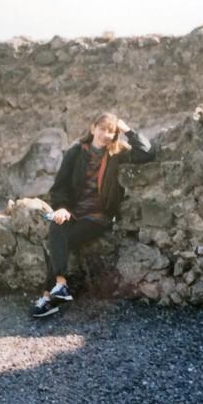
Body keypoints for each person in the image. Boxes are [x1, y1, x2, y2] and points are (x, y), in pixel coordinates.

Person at [32, 112, 156, 317]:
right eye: (102, 129)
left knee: (56, 242)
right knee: (56, 226)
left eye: (111, 131)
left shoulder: (118, 153)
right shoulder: (75, 152)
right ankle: (60, 285)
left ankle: (48, 297)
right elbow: (59, 187)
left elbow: (147, 153)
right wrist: (61, 207)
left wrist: (128, 131)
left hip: (99, 217)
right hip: (74, 212)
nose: (106, 134)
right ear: (93, 129)